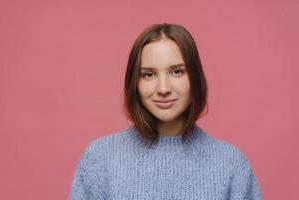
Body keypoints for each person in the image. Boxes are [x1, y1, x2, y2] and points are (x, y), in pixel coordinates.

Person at [69, 23, 262, 200]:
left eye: (177, 71)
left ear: (194, 77)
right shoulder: (100, 158)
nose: (163, 88)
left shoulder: (231, 164)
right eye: (149, 74)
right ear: (135, 83)